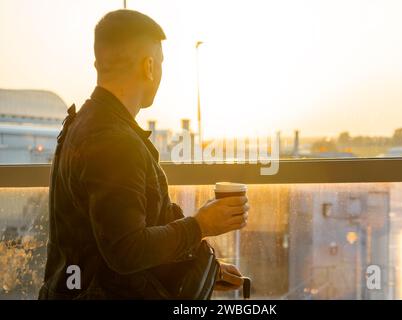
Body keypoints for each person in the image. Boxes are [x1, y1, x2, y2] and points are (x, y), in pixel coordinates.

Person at [38, 9, 249, 299]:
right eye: (161, 63)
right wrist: (201, 225)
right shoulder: (115, 142)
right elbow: (127, 251)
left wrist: (206, 268)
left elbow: (128, 228)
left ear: (99, 63)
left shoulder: (82, 123)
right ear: (149, 67)